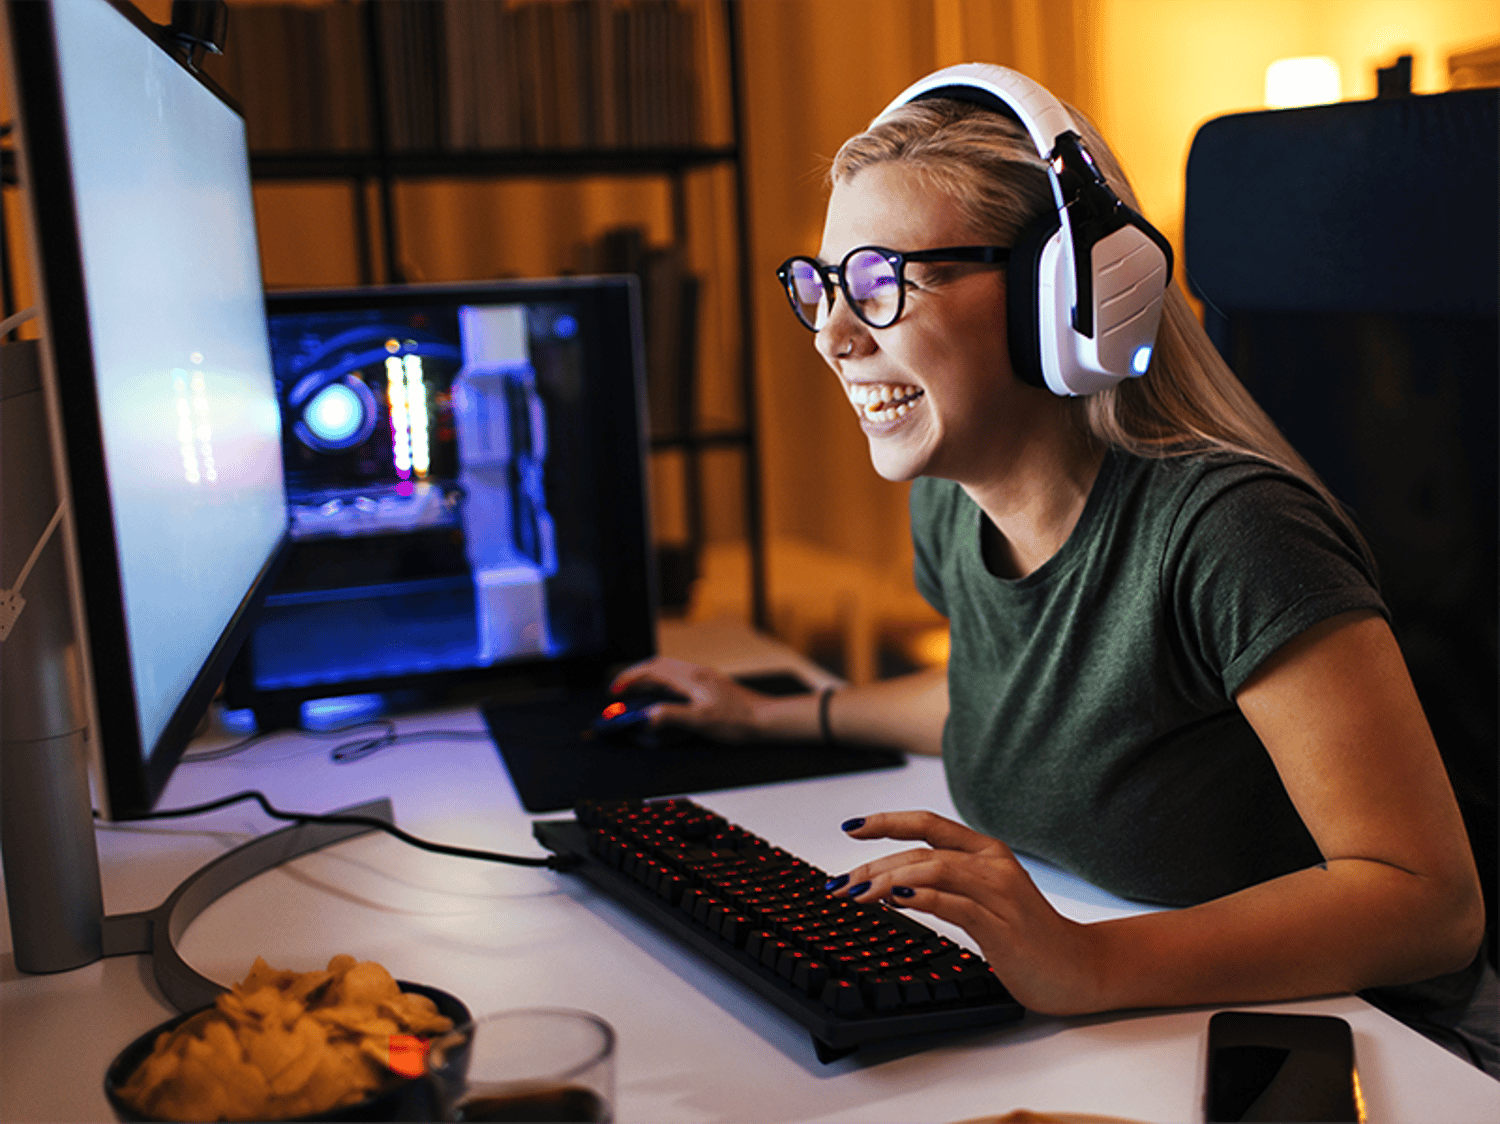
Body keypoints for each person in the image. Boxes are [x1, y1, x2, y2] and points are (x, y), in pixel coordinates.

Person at [612, 64, 1496, 1073]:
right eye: (819, 285)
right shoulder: (951, 506)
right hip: (1156, 1027)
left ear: (1064, 293)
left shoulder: (1231, 535)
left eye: (879, 284)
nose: (835, 334)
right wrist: (759, 714)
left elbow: (1429, 902)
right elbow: (1007, 701)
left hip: (1378, 1047)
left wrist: (1086, 961)